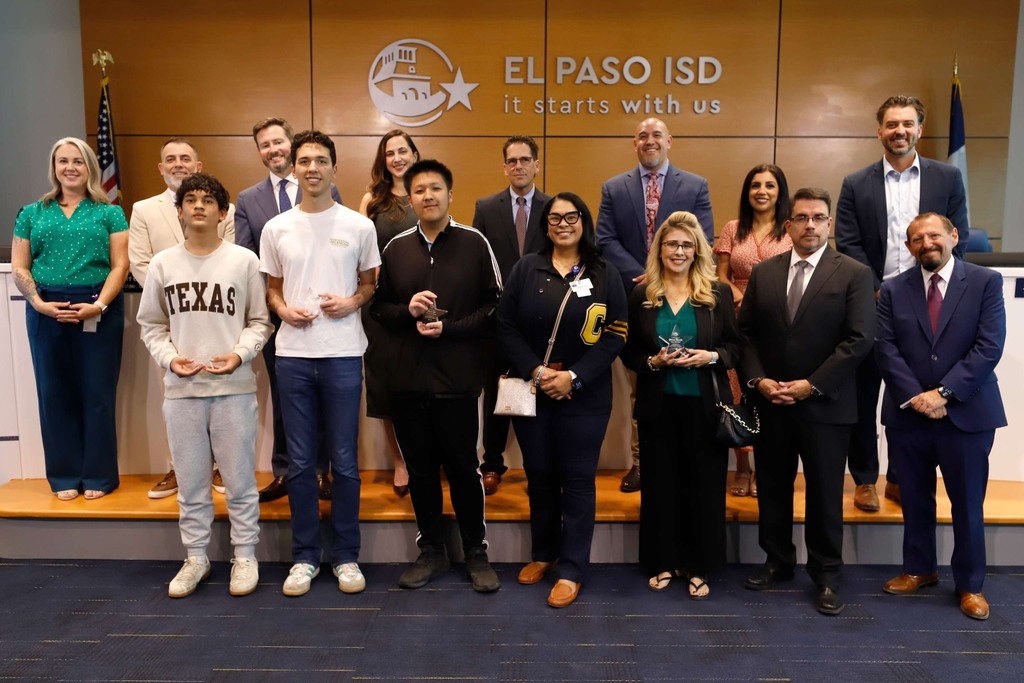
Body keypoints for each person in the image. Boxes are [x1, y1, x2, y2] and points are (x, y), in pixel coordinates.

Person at [738, 187, 875, 616]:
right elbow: (746, 335)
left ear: (829, 224)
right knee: (773, 489)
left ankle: (827, 574)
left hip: (825, 405)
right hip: (772, 402)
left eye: (818, 217)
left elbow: (859, 340)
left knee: (824, 494)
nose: (810, 225)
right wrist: (757, 381)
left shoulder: (853, 272)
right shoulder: (764, 272)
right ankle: (777, 561)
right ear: (788, 225)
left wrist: (810, 385)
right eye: (802, 218)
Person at [137, 172, 273, 598]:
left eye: (208, 200)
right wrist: (169, 359)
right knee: (193, 482)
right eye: (190, 199)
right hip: (182, 393)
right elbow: (152, 326)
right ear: (178, 211)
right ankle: (196, 557)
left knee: (239, 481)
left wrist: (239, 354)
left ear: (222, 211)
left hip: (233, 390)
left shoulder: (243, 261)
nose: (199, 206)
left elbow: (259, 322)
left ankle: (244, 555)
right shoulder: (162, 264)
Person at [370, 159, 502, 593]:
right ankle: (430, 551)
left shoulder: (474, 243)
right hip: (408, 381)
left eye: (436, 189)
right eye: (420, 190)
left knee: (464, 470)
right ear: (411, 199)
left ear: (450, 194)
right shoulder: (396, 248)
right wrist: (406, 311)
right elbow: (378, 309)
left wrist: (452, 328)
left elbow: (495, 308)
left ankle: (476, 552)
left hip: (458, 381)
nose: (428, 196)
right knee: (422, 471)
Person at [835, 95, 969, 512]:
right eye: (891, 124)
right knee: (862, 393)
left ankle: (899, 476)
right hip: (869, 302)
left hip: (926, 306)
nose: (900, 131)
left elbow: (956, 236)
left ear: (919, 129)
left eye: (907, 124)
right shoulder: (857, 183)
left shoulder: (946, 178)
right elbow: (848, 242)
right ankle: (863, 478)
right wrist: (877, 288)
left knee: (910, 392)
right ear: (879, 131)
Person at [260, 130, 379, 597]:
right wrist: (282, 309)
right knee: (302, 463)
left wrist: (352, 302)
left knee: (345, 462)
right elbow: (272, 288)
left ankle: (347, 556)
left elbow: (370, 285)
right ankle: (306, 558)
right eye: (304, 160)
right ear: (294, 169)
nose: (312, 168)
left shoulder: (358, 225)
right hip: (292, 356)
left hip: (344, 354)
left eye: (321, 160)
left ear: (334, 167)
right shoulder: (277, 228)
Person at [498, 192, 627, 608]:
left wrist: (573, 377)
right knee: (538, 476)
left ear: (584, 222)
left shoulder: (605, 272)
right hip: (533, 389)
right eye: (555, 218)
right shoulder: (526, 267)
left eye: (572, 216)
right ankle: (543, 554)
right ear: (546, 225)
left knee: (576, 482)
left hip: (584, 395)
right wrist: (538, 372)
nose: (564, 223)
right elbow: (505, 326)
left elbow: (618, 334)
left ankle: (572, 569)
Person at [876, 213, 1005, 621]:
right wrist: (918, 396)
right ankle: (919, 568)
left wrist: (944, 393)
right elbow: (885, 348)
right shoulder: (893, 289)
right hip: (909, 414)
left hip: (966, 414)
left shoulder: (984, 282)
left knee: (967, 504)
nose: (926, 243)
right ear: (909, 247)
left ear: (953, 236)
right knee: (914, 499)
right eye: (916, 239)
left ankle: (970, 585)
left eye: (934, 235)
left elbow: (989, 346)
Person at [622, 211, 740, 600]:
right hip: (658, 406)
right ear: (660, 249)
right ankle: (663, 561)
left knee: (703, 488)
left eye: (687, 245)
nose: (679, 251)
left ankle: (699, 565)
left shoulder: (716, 293)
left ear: (697, 251)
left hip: (704, 406)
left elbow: (735, 348)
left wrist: (708, 357)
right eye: (672, 244)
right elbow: (629, 353)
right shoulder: (642, 294)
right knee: (660, 487)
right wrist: (652, 363)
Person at [595, 117, 715, 493]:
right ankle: (641, 462)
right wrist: (650, 271)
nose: (650, 141)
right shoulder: (614, 187)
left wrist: (667, 266)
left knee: (685, 380)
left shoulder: (695, 185)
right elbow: (605, 239)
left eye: (656, 136)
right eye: (643, 136)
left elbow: (703, 236)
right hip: (639, 294)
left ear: (669, 141)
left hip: (686, 291)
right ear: (635, 143)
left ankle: (683, 462)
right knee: (641, 383)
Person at [11, 137, 129, 500]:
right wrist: (37, 302)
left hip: (97, 307)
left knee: (97, 394)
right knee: (54, 393)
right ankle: (63, 476)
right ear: (54, 167)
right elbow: (20, 266)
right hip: (46, 308)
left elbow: (121, 265)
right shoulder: (32, 212)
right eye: (63, 161)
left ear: (90, 167)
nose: (70, 167)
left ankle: (99, 475)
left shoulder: (109, 211)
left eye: (78, 161)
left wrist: (101, 304)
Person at [234, 117, 342, 504]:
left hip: (326, 318)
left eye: (278, 142)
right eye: (264, 145)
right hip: (277, 317)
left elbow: (339, 253)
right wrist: (276, 306)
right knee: (284, 398)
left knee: (327, 398)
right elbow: (249, 261)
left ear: (291, 147)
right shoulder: (248, 199)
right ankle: (286, 472)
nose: (272, 149)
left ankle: (323, 471)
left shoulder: (327, 187)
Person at [128, 137, 236, 500]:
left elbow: (232, 257)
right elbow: (141, 263)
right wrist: (172, 301)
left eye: (185, 158)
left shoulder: (227, 209)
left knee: (223, 397)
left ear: (198, 165)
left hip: (219, 314)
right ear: (161, 168)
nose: (178, 163)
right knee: (173, 395)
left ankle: (219, 465)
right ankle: (179, 467)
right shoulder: (144, 209)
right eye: (170, 159)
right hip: (172, 317)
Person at [473, 135, 552, 494]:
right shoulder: (487, 207)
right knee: (497, 390)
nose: (518, 166)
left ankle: (540, 462)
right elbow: (478, 263)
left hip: (542, 319)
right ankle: (492, 462)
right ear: (504, 166)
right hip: (497, 319)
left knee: (533, 388)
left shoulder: (555, 207)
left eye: (525, 160)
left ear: (537, 164)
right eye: (512, 161)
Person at [714, 164, 792, 498]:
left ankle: (765, 468)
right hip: (735, 318)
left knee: (767, 391)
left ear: (780, 192)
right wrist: (736, 294)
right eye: (755, 185)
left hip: (776, 319)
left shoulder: (790, 229)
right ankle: (742, 469)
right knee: (735, 391)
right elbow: (720, 274)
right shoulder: (734, 227)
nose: (762, 191)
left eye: (770, 185)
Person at [357, 129, 420, 497]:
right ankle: (400, 461)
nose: (397, 157)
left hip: (421, 304)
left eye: (403, 151)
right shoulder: (373, 200)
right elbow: (358, 250)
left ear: (414, 154)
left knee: (420, 384)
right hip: (380, 306)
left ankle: (424, 456)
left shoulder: (425, 191)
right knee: (386, 388)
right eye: (390, 153)